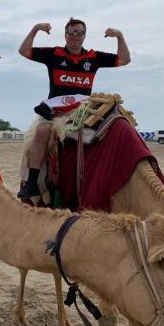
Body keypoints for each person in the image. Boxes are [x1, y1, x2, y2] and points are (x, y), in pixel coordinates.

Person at [17, 17, 131, 199]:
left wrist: (119, 36)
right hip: (55, 112)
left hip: (84, 111)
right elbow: (23, 51)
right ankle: (32, 182)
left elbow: (124, 59)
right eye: (71, 33)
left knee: (113, 128)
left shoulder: (93, 57)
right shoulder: (54, 54)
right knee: (41, 131)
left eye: (79, 33)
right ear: (65, 34)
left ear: (84, 35)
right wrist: (36, 28)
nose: (75, 36)